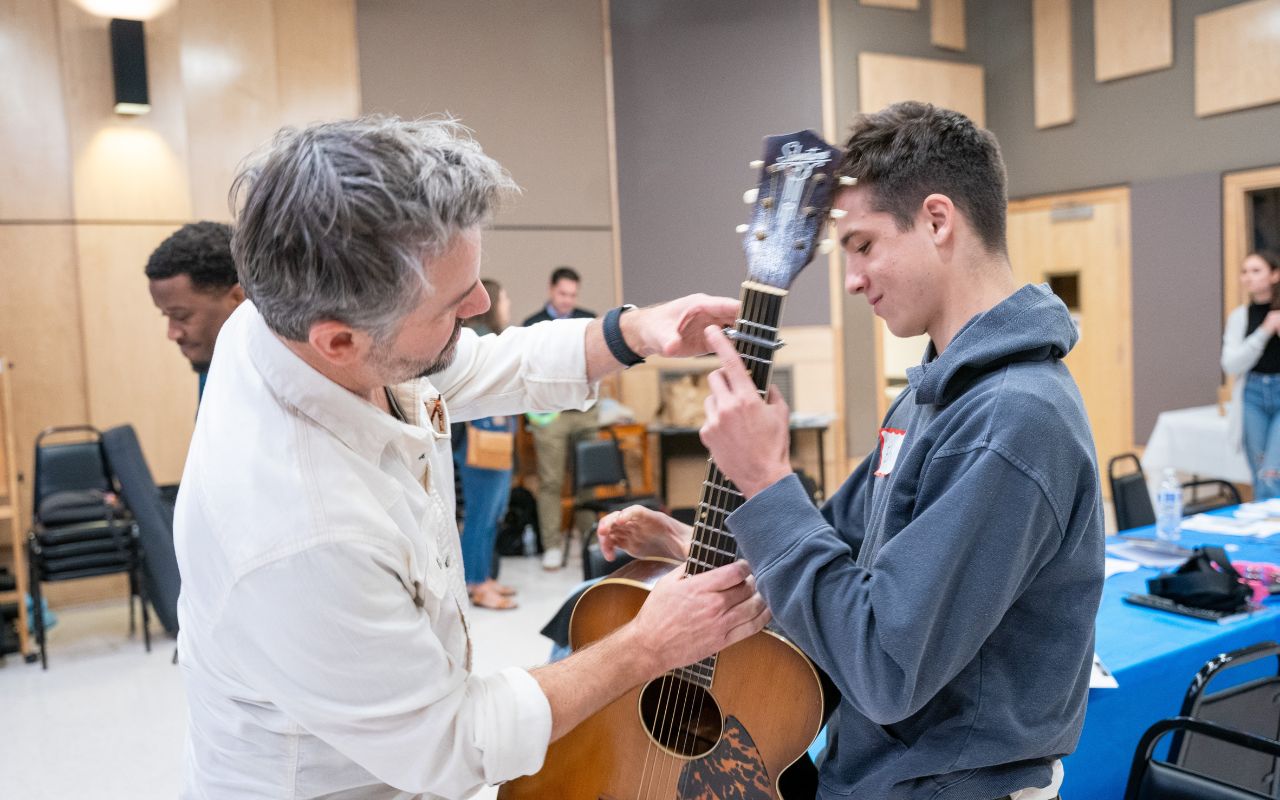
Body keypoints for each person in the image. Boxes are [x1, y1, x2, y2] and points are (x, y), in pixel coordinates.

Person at [173, 115, 769, 800]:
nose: (484, 305)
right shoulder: (300, 530)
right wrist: (647, 646)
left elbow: (464, 365)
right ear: (340, 342)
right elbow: (453, 743)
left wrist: (633, 332)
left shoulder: (288, 317)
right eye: (457, 305)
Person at [599, 101, 1102, 800]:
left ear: (936, 220)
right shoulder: (935, 392)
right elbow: (835, 571)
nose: (852, 278)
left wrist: (768, 478)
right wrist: (694, 542)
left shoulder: (1013, 419)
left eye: (863, 245)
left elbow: (884, 666)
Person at [521, 267, 599, 569]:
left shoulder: (588, 320)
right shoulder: (532, 324)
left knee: (587, 482)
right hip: (549, 415)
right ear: (551, 290)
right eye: (563, 294)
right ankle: (552, 545)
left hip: (583, 411)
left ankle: (590, 542)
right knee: (551, 481)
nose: (568, 300)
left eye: (573, 295)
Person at [457, 278, 519, 609]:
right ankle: (475, 583)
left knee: (493, 513)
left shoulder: (492, 339)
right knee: (480, 515)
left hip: (498, 439)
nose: (508, 306)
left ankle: (485, 577)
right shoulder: (478, 341)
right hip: (479, 441)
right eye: (506, 299)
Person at [145, 221, 245, 400]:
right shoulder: (212, 365)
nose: (172, 333)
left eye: (181, 316)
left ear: (238, 298)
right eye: (166, 315)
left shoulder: (280, 383)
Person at [1222, 250, 1280, 499]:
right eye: (1244, 271)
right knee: (1258, 474)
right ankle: (1263, 535)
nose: (1249, 277)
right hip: (1253, 395)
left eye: (1256, 271)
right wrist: (1264, 331)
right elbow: (1231, 364)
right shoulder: (1240, 316)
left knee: (1271, 473)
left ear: (1275, 275)